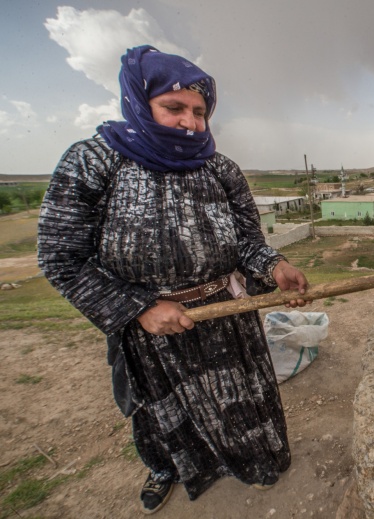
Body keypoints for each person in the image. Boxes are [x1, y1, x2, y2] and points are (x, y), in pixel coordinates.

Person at [38, 45, 309, 515]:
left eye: (200, 112)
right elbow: (62, 256)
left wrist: (274, 267)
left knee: (241, 403)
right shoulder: (94, 162)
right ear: (141, 103)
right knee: (165, 416)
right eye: (174, 107)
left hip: (227, 316)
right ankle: (168, 468)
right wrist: (140, 308)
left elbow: (247, 241)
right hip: (154, 332)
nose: (191, 123)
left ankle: (255, 463)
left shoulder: (220, 169)